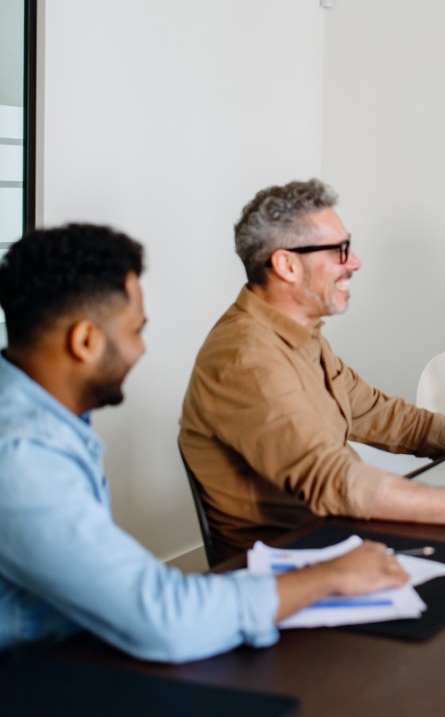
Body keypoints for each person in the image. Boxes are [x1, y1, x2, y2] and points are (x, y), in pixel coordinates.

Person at [0, 224, 411, 662]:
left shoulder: (40, 419)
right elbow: (163, 617)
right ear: (85, 341)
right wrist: (326, 577)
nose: (142, 350)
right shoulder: (25, 453)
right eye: (136, 331)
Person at [179, 180, 445, 559]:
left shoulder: (300, 337)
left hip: (338, 533)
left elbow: (382, 414)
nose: (355, 262)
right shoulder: (247, 358)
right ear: (287, 265)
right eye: (339, 250)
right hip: (296, 559)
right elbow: (336, 481)